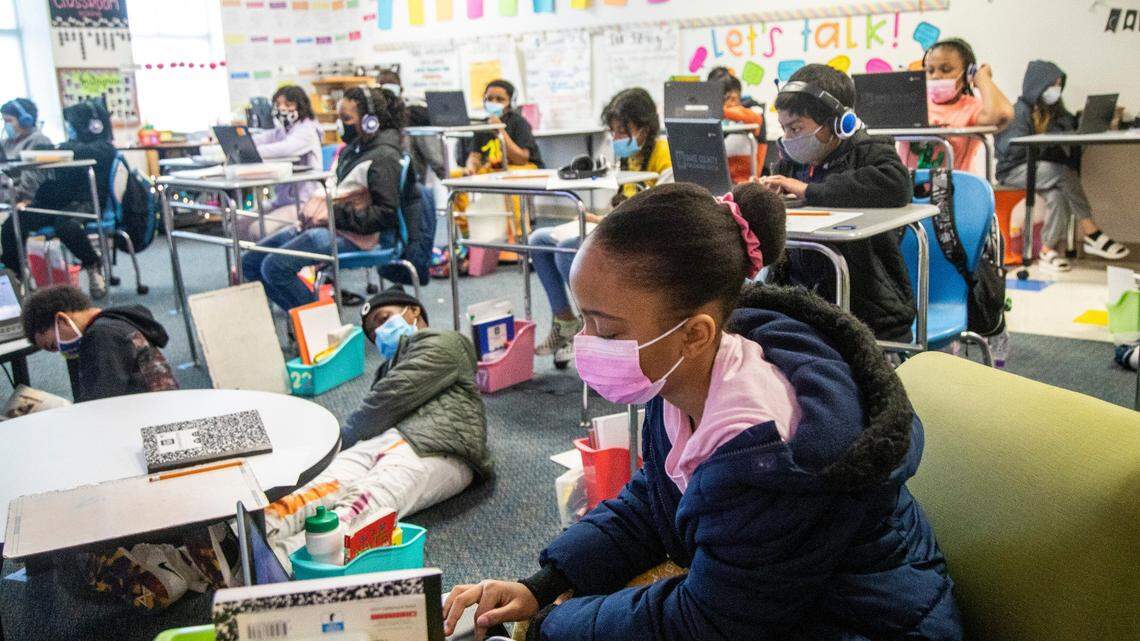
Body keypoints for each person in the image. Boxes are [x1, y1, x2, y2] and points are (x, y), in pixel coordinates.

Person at [441, 182, 962, 641]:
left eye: (608, 329)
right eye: (584, 321)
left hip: (866, 625)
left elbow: (708, 622)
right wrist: (545, 585)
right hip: (785, 610)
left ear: (694, 333)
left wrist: (555, 624)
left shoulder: (770, 449)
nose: (585, 344)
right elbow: (654, 501)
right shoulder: (694, 377)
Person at [266, 287, 490, 568]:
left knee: (358, 506)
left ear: (414, 311)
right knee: (318, 487)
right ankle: (242, 540)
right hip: (388, 439)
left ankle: (277, 564)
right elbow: (378, 414)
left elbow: (386, 402)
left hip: (439, 447)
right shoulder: (387, 368)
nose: (380, 331)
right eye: (373, 332)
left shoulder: (446, 342)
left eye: (384, 318)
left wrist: (333, 444)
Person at [761, 64, 916, 343]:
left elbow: (896, 184)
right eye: (785, 129)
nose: (789, 139)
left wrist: (810, 190)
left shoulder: (869, 150)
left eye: (796, 128)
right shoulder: (792, 162)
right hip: (805, 298)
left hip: (867, 302)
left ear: (838, 123)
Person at [529, 88, 672, 368]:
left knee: (568, 249)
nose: (616, 138)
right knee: (538, 239)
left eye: (622, 131)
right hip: (618, 227)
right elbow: (623, 202)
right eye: (613, 132)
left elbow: (654, 211)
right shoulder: (628, 155)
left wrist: (607, 222)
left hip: (643, 239)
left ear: (644, 127)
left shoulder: (663, 154)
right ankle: (566, 324)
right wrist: (606, 219)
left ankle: (593, 332)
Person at [242, 86, 418, 312]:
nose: (340, 124)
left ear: (369, 122)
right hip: (332, 226)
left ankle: (319, 325)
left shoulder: (384, 157)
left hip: (360, 236)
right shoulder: (354, 150)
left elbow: (385, 215)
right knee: (251, 262)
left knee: (274, 268)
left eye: (345, 118)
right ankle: (305, 321)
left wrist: (333, 215)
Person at [995, 60, 1129, 271]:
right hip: (1014, 170)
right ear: (1037, 84)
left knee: (1058, 195)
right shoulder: (1019, 111)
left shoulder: (1055, 110)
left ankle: (1047, 250)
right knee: (1064, 173)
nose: (1055, 90)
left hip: (1042, 172)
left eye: (1058, 84)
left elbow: (1070, 126)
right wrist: (1047, 142)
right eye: (1051, 84)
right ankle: (1090, 230)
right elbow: (1010, 149)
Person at [1, 100, 115, 299]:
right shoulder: (67, 146)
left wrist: (56, 149)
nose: (70, 129)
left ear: (93, 125)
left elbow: (81, 152)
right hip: (58, 202)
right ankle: (16, 277)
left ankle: (92, 265)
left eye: (73, 125)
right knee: (14, 223)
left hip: (86, 202)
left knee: (66, 226)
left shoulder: (104, 148)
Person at [21, 285, 178, 402]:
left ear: (62, 320)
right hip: (159, 411)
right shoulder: (115, 322)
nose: (61, 352)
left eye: (54, 345)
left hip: (147, 425)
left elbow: (98, 405)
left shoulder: (101, 336)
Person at [897, 38, 1014, 173]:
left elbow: (1003, 114)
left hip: (956, 189)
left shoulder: (972, 108)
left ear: (967, 74)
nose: (936, 76)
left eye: (946, 70)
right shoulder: (913, 103)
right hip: (911, 190)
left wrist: (982, 77)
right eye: (930, 70)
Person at [240, 85, 325, 240]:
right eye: (278, 105)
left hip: (304, 201)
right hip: (281, 200)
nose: (282, 109)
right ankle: (245, 264)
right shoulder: (283, 131)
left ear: (300, 105)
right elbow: (264, 138)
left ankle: (264, 262)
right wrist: (242, 142)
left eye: (288, 104)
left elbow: (285, 148)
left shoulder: (307, 130)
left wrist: (250, 151)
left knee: (258, 229)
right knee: (239, 222)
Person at [461, 79, 543, 174]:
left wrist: (500, 129)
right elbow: (475, 155)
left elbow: (521, 159)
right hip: (496, 174)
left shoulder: (519, 122)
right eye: (489, 99)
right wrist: (471, 167)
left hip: (522, 174)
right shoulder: (483, 125)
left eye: (500, 99)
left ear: (511, 103)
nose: (493, 102)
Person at [378, 69, 446, 184]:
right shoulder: (375, 115)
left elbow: (436, 160)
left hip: (412, 178)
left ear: (400, 89)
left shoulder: (414, 113)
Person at [1, 98, 53, 210]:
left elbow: (31, 182)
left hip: (25, 201)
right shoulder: (6, 143)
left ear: (25, 121)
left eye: (9, 121)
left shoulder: (39, 141)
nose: (6, 126)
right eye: (4, 121)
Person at [717, 73, 767, 184]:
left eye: (732, 98)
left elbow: (754, 118)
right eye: (725, 99)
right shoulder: (723, 118)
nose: (730, 102)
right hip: (725, 179)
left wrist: (718, 110)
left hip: (746, 180)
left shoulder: (753, 109)